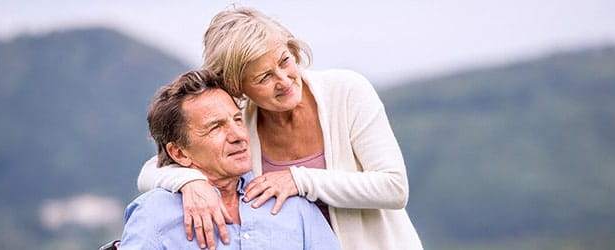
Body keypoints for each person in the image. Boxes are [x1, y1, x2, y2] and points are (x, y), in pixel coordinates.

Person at [136, 6, 422, 249]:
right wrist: (190, 182)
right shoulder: (240, 121)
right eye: (264, 77)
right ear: (238, 86)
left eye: (285, 61)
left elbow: (394, 188)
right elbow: (154, 169)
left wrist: (299, 180)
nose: (284, 80)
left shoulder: (346, 91)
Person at [122, 70, 339, 249]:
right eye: (216, 127)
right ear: (179, 153)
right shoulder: (154, 214)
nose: (238, 136)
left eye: (237, 120)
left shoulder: (294, 207)